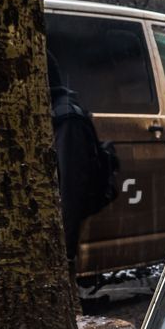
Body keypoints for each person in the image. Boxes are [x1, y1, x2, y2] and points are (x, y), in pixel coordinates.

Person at [47, 53, 119, 269]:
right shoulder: (55, 114)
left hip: (58, 244)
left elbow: (70, 191)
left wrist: (65, 255)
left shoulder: (67, 120)